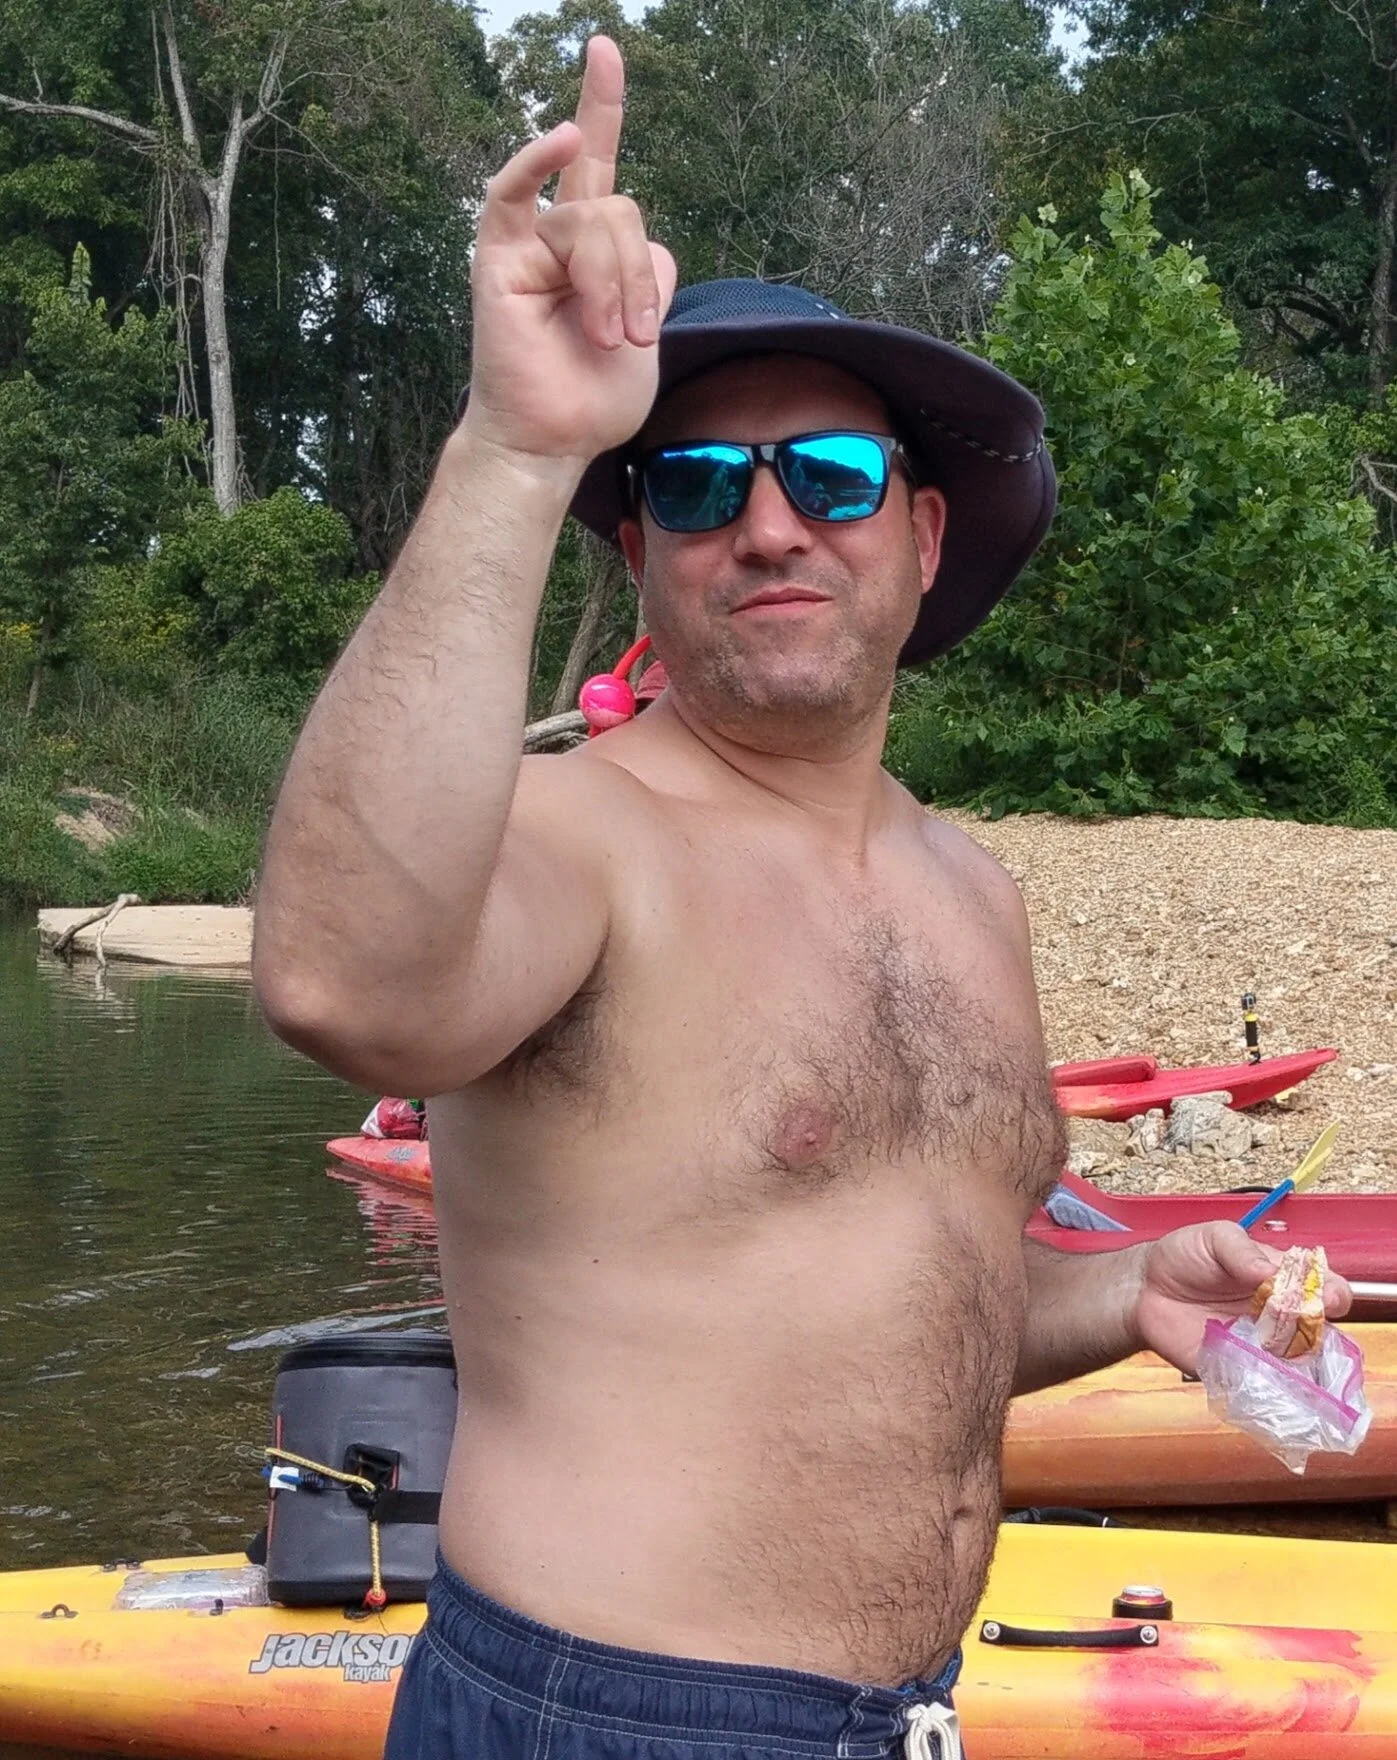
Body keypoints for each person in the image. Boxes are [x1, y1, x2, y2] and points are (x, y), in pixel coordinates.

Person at [252, 36, 1351, 1760]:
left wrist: (1129, 1293)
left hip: (903, 1720)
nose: (769, 527)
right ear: (643, 558)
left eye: (829, 476)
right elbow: (343, 984)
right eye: (699, 489)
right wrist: (515, 445)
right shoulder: (583, 840)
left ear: (921, 536)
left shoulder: (970, 891)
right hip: (604, 1717)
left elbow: (900, 1299)